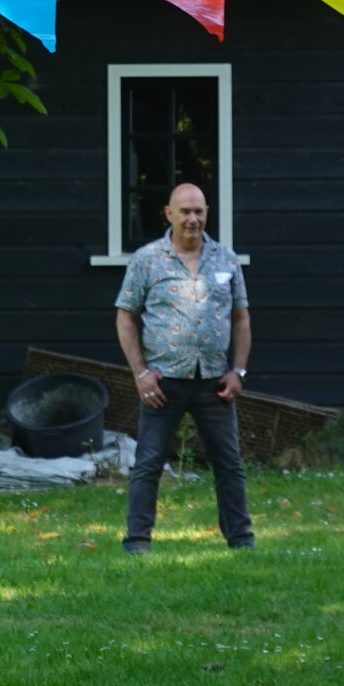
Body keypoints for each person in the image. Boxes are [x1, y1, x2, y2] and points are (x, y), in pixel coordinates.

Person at [114, 183, 253, 554]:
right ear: (168, 214)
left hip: (214, 382)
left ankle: (242, 541)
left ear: (207, 213)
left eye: (199, 211)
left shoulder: (226, 260)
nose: (193, 218)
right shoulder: (146, 259)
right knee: (148, 464)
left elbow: (241, 318)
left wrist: (238, 371)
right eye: (185, 211)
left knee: (229, 465)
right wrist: (140, 373)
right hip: (163, 383)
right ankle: (137, 542)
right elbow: (125, 317)